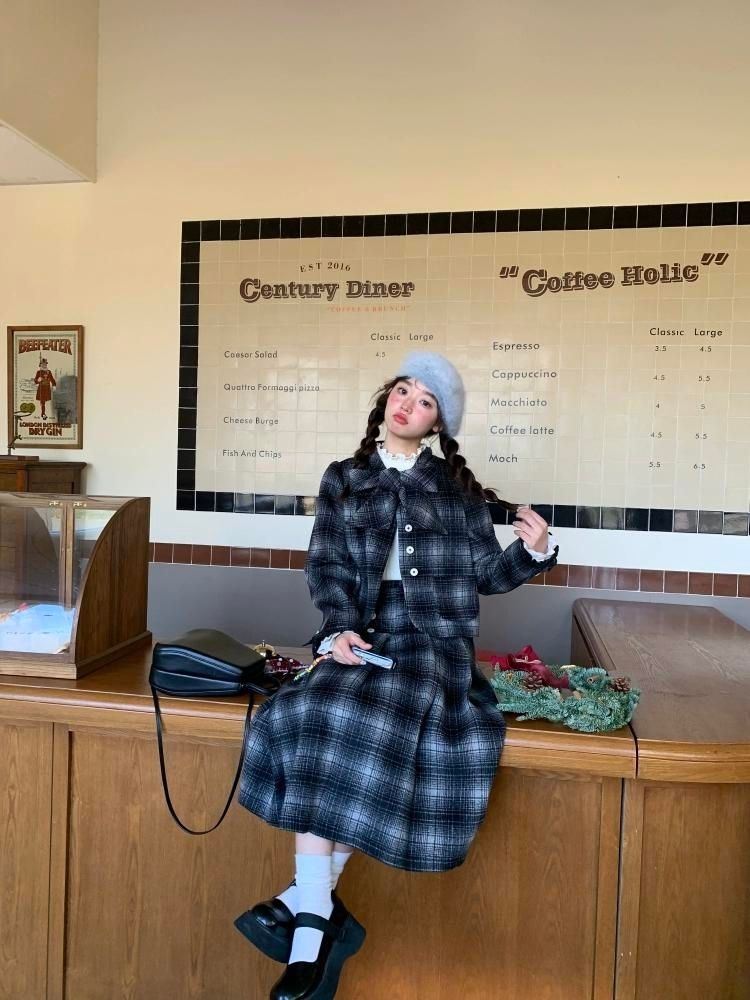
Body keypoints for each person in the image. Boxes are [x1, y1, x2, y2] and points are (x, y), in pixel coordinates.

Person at [236, 352, 558, 1000]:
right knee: (309, 711)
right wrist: (336, 633)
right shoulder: (344, 478)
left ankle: (306, 920)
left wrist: (532, 552)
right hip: (361, 635)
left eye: (426, 401)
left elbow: (485, 576)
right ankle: (317, 916)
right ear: (389, 397)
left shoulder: (456, 489)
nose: (408, 404)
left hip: (432, 645)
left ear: (438, 424)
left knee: (378, 720)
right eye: (404, 391)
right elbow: (326, 565)